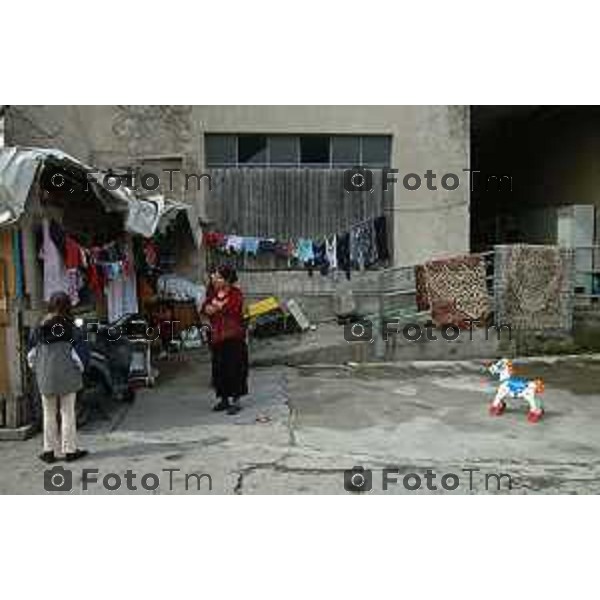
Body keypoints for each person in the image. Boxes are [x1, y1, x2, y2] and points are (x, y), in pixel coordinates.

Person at [27, 292, 89, 463]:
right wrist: (81, 370)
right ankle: (70, 450)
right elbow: (79, 355)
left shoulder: (39, 326)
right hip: (68, 375)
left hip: (46, 375)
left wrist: (38, 369)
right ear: (68, 306)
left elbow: (31, 354)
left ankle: (49, 451)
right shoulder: (72, 326)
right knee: (68, 413)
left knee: (48, 413)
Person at [201, 265, 248, 415]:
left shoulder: (236, 293)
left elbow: (233, 309)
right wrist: (214, 307)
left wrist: (216, 307)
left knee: (235, 369)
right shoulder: (212, 293)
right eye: (215, 276)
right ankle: (223, 399)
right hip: (217, 337)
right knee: (219, 369)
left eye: (219, 277)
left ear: (227, 280)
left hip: (234, 337)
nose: (215, 279)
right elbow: (205, 309)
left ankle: (236, 400)